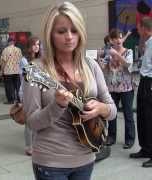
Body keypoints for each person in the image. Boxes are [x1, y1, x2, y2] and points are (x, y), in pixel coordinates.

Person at [23, 2, 117, 180]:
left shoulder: (91, 66)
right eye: (61, 31)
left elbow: (111, 109)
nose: (69, 37)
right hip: (51, 162)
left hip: (87, 156)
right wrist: (57, 105)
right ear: (50, 34)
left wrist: (101, 109)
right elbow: (32, 122)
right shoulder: (36, 70)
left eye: (74, 30)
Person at [97, 29, 136, 149]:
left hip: (126, 88)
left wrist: (116, 54)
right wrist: (99, 58)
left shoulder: (128, 51)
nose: (119, 40)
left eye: (120, 37)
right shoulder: (108, 53)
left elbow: (128, 64)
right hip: (112, 88)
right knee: (112, 114)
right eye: (115, 38)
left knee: (128, 114)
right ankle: (111, 137)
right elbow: (102, 68)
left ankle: (129, 139)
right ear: (111, 41)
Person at [129, 17, 152, 168]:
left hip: (150, 82)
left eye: (138, 27)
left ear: (144, 28)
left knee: (150, 119)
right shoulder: (147, 42)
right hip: (144, 81)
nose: (137, 30)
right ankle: (145, 148)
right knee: (143, 117)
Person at [19, 37, 41, 156]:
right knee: (29, 120)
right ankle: (29, 146)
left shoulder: (41, 59)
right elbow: (27, 77)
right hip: (27, 92)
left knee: (38, 118)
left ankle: (37, 144)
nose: (37, 46)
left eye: (38, 44)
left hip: (39, 91)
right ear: (29, 46)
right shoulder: (24, 60)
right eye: (34, 44)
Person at [0, 37, 23, 104]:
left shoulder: (5, 50)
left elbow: (3, 61)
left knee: (9, 86)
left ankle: (10, 100)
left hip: (8, 71)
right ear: (14, 42)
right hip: (17, 71)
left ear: (9, 42)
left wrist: (1, 71)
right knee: (17, 86)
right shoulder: (18, 50)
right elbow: (21, 60)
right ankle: (19, 99)